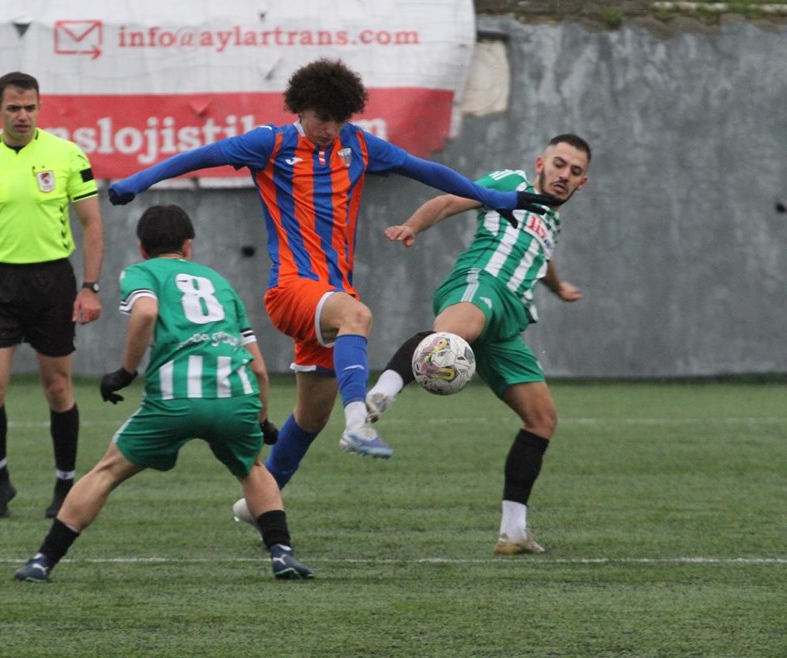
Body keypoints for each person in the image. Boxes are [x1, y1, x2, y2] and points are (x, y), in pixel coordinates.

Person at [107, 59, 554, 510]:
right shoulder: (270, 144)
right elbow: (197, 157)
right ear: (300, 108)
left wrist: (494, 197)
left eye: (339, 119)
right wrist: (136, 182)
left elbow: (426, 171)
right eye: (323, 118)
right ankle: (358, 422)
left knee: (310, 416)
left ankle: (258, 506)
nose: (330, 129)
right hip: (291, 289)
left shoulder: (357, 144)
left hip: (329, 297)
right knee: (357, 316)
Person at [14, 204, 313, 582]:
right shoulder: (219, 283)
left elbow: (145, 313)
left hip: (174, 400)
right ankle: (282, 553)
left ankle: (43, 561)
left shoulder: (140, 272)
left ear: (142, 247)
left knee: (106, 471)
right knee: (253, 469)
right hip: (235, 396)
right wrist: (263, 420)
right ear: (188, 245)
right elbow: (258, 367)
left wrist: (125, 372)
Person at [364, 133, 592, 554]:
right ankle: (381, 393)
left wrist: (559, 288)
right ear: (540, 163)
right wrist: (413, 225)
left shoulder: (551, 222)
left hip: (508, 324)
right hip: (481, 282)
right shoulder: (510, 183)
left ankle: (514, 531)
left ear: (583, 182)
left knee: (542, 419)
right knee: (450, 338)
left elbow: (541, 260)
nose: (564, 175)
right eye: (559, 164)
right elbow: (450, 200)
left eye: (575, 171)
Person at [0, 71, 104, 519]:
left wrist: (90, 287)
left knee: (58, 388)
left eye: (30, 107)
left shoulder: (67, 155)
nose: (23, 116)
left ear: (39, 107)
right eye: (13, 108)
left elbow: (92, 224)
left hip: (53, 283)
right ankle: (0, 480)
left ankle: (65, 485)